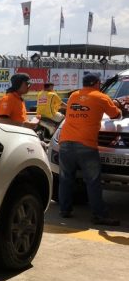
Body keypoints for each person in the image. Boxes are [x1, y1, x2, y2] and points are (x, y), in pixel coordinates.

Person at [58, 72, 123, 226]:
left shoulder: (74, 96)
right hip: (86, 144)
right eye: (99, 82)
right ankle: (99, 215)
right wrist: (118, 106)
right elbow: (115, 115)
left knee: (66, 179)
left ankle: (64, 210)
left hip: (65, 142)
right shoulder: (101, 97)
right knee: (93, 181)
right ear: (96, 83)